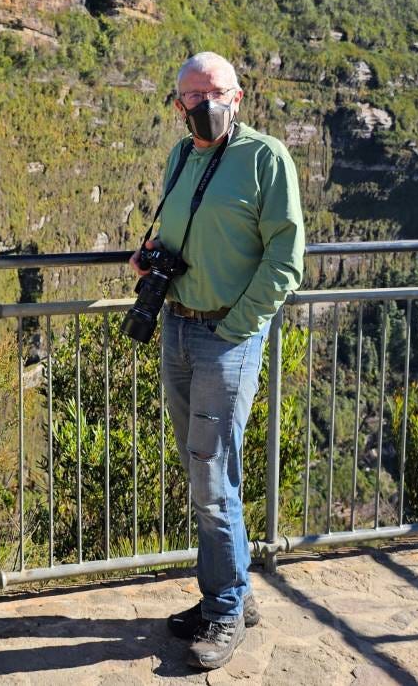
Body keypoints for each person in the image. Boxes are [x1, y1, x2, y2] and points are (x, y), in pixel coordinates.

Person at [130, 52, 305, 671]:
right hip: (177, 327)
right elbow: (180, 223)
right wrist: (152, 255)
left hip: (224, 337)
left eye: (212, 92)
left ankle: (226, 607)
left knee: (212, 475)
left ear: (237, 95)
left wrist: (235, 327)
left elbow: (285, 261)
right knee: (201, 469)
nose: (200, 104)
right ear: (177, 104)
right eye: (189, 95)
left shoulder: (265, 158)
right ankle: (225, 596)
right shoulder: (184, 155)